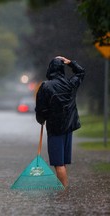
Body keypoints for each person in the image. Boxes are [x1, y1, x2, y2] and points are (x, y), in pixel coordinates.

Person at [35, 56, 85, 187]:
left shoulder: (46, 86)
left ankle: (63, 194)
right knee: (62, 163)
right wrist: (71, 63)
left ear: (50, 69)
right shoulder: (70, 84)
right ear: (62, 69)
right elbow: (80, 72)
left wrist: (41, 120)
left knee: (58, 163)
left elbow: (41, 108)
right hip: (68, 127)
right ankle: (64, 191)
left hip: (55, 129)